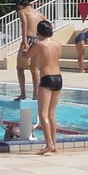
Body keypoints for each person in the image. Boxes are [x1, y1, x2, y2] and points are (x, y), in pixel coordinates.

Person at [23, 19, 63, 155]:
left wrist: (26, 48)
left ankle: (49, 144)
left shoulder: (39, 45)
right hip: (58, 78)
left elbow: (25, 57)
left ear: (38, 33)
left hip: (46, 78)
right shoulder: (58, 44)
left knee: (43, 113)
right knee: (52, 113)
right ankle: (54, 144)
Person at [15, 0, 48, 101]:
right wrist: (44, 38)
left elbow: (24, 23)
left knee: (20, 68)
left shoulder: (22, 11)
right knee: (34, 68)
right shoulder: (39, 14)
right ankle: (35, 94)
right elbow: (48, 24)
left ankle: (23, 94)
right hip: (37, 40)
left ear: (20, 6)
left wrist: (24, 40)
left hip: (28, 39)